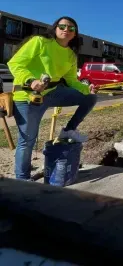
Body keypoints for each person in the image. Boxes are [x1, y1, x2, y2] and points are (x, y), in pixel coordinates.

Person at [8, 16, 98, 180]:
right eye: (62, 26)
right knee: (27, 141)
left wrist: (86, 89)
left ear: (75, 34)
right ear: (55, 28)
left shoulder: (71, 54)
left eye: (71, 28)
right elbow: (15, 63)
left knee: (90, 98)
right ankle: (22, 179)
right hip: (28, 96)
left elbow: (71, 81)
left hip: (52, 93)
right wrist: (30, 80)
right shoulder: (40, 42)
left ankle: (68, 131)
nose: (66, 30)